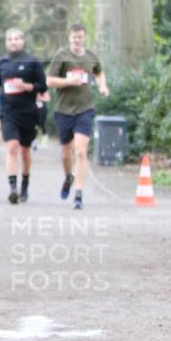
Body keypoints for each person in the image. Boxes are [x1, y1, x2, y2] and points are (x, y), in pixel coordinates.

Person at [46, 22, 109, 209]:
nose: (77, 40)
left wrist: (103, 86)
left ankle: (79, 194)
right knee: (66, 153)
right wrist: (68, 81)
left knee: (81, 151)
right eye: (74, 37)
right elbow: (49, 81)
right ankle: (68, 177)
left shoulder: (91, 56)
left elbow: (99, 72)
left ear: (85, 37)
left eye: (80, 37)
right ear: (69, 37)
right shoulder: (62, 56)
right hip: (64, 110)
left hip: (85, 109)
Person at [0, 29, 47, 204]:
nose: (13, 42)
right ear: (6, 43)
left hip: (28, 113)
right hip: (8, 112)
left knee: (24, 151)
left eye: (16, 39)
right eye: (10, 39)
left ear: (23, 41)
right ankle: (13, 188)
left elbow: (43, 86)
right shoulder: (2, 62)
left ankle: (25, 184)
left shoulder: (33, 61)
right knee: (12, 147)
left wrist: (26, 86)